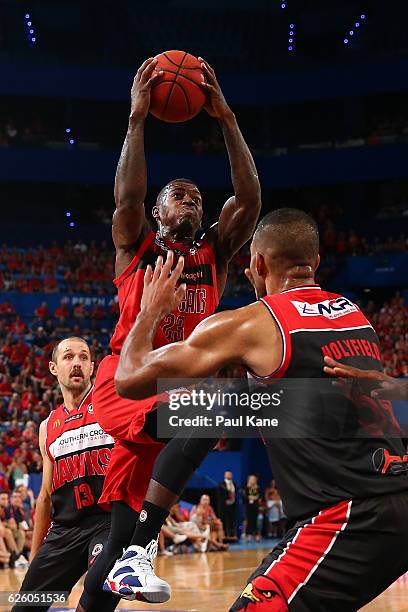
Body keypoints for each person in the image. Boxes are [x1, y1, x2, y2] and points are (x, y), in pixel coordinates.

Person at [114, 208, 408, 611]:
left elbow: (129, 380)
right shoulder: (355, 316)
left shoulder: (255, 323)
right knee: (220, 407)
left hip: (348, 517)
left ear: (258, 263)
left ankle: (135, 549)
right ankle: (138, 548)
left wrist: (149, 311)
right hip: (394, 499)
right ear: (315, 263)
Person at [77, 54, 261, 608]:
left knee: (112, 546)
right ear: (158, 211)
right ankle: (140, 550)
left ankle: (121, 566)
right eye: (179, 194)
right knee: (221, 403)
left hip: (170, 395)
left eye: (197, 198)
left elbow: (249, 200)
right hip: (125, 384)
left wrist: (226, 119)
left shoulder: (214, 252)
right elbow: (126, 197)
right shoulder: (136, 246)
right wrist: (136, 121)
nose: (192, 200)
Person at [11, 337, 117, 612]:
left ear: (93, 367)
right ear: (53, 368)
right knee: (24, 607)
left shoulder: (111, 403)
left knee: (99, 583)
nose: (77, 363)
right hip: (65, 529)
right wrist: (36, 557)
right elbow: (45, 497)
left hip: (110, 522)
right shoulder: (47, 427)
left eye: (83, 357)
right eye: (68, 357)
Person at [217, 470, 237, 540]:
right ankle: (224, 535)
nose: (229, 475)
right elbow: (219, 496)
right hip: (224, 506)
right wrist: (226, 501)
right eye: (227, 474)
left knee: (232, 520)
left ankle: (232, 535)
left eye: (230, 474)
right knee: (224, 520)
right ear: (224, 475)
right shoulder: (221, 484)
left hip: (233, 505)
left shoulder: (234, 484)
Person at [244, 475, 261, 542]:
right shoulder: (246, 487)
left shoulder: (257, 487)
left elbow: (260, 495)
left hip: (255, 505)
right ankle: (249, 534)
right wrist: (250, 497)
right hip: (248, 506)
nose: (252, 480)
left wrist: (256, 498)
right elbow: (245, 496)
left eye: (253, 479)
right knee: (249, 519)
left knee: (255, 520)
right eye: (251, 479)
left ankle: (256, 534)